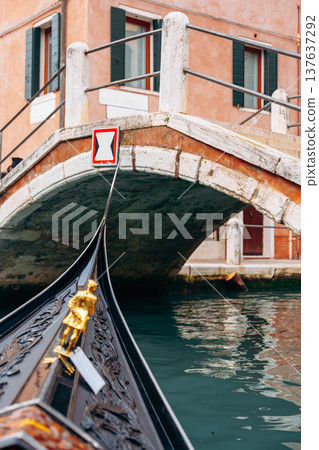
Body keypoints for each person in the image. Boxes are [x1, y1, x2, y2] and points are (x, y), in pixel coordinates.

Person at [60, 279, 98, 355]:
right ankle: (68, 350)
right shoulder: (94, 299)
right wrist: (86, 315)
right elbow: (92, 311)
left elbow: (71, 303)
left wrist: (74, 311)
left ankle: (61, 345)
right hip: (83, 316)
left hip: (75, 313)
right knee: (76, 333)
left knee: (68, 328)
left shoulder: (80, 293)